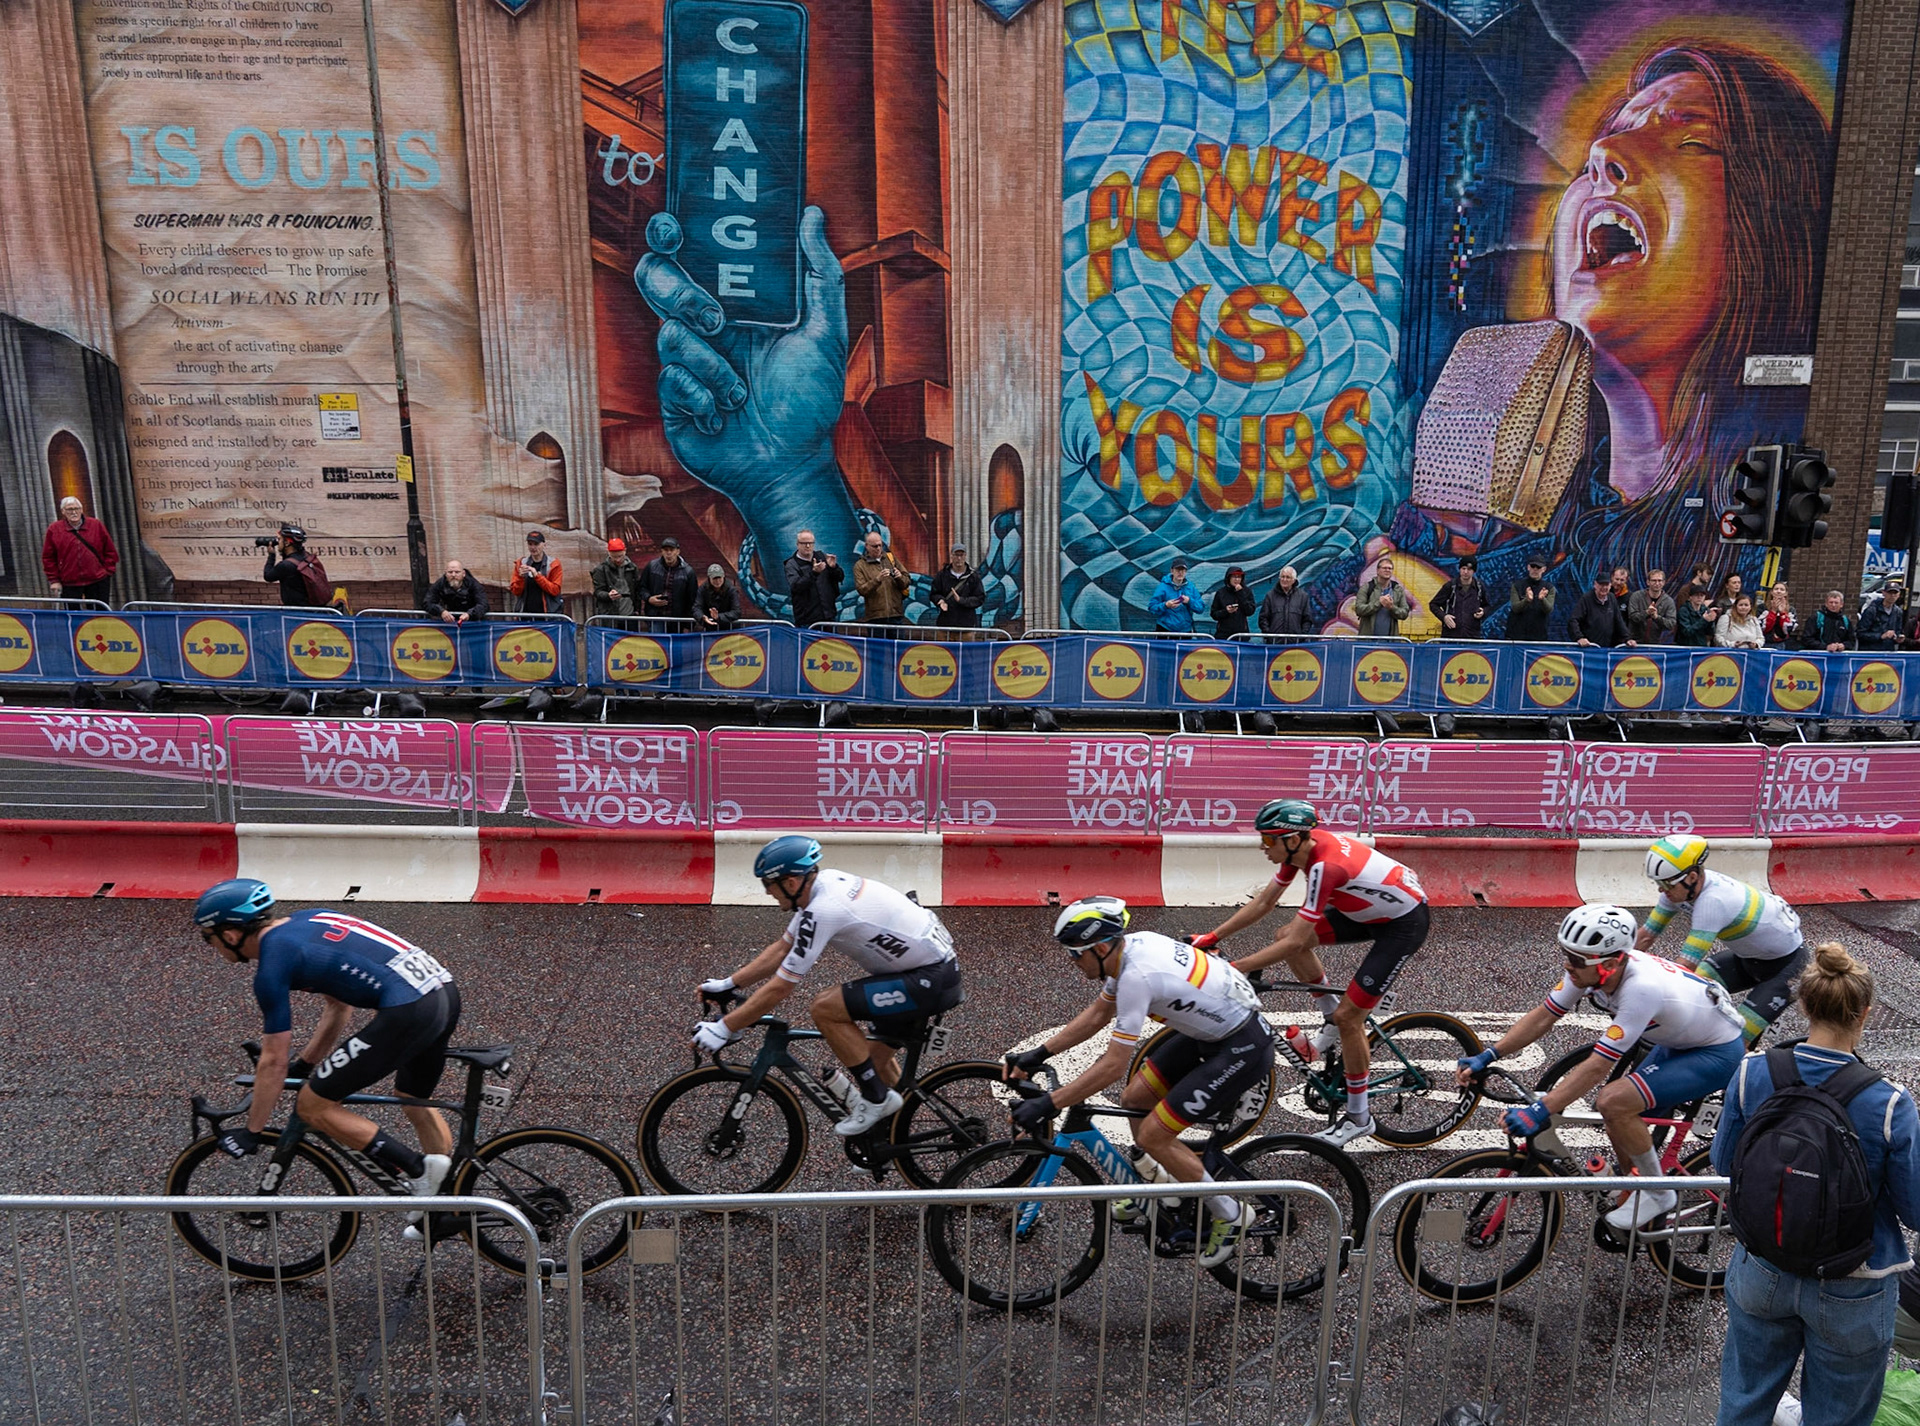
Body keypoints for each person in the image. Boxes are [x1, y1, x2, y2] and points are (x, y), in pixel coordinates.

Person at [1713, 943, 1920, 1426]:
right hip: (1855, 1281)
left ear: (1805, 1006)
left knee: (1743, 1402)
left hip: (1762, 1267)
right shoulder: (1889, 1103)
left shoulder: (1752, 1072)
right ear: (1865, 1012)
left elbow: (1727, 1163)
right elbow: (1914, 1211)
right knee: (1839, 1416)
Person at [1004, 896, 1270, 1268]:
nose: (1072, 962)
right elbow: (1099, 1012)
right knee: (1135, 1098)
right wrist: (1039, 1053)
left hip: (1241, 1046)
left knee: (1152, 1136)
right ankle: (1166, 1186)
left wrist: (1050, 1103)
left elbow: (1113, 1065)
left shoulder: (1135, 976)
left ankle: (1231, 1212)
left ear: (1099, 947)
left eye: (1075, 953)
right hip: (1209, 1035)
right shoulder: (1127, 951)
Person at [1457, 903, 1746, 1232]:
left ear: (1610, 963)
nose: (1568, 965)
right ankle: (1634, 1187)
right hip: (1681, 1042)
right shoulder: (1590, 970)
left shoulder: (1641, 989)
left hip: (1716, 1052)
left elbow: (1597, 1067)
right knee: (1616, 1114)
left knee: (1613, 1101)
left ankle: (1657, 1193)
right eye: (1566, 954)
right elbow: (1543, 1016)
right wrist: (1489, 1054)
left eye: (1577, 960)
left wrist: (1543, 1109)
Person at [192, 879, 457, 1216]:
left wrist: (252, 1131)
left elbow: (273, 1060)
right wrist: (305, 1063)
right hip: (442, 993)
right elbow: (338, 1006)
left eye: (208, 937)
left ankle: (418, 1169)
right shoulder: (311, 919)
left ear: (230, 934)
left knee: (312, 1106)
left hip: (409, 1010)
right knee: (413, 1100)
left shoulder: (273, 964)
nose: (212, 945)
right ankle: (449, 1201)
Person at [1189, 799, 1428, 1148]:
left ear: (1293, 839)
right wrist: (1212, 937)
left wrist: (1237, 969)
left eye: (1269, 840)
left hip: (1402, 925)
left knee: (1351, 1018)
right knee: (1285, 935)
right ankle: (1329, 1017)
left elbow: (1296, 942)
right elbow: (1264, 903)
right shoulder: (1299, 851)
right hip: (1367, 911)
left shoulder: (1325, 866)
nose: (1263, 846)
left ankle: (1359, 1118)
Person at [692, 836, 961, 1137]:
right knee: (870, 1060)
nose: (767, 892)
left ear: (791, 882)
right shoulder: (823, 884)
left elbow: (781, 986)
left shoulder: (824, 909)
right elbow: (783, 948)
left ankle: (876, 1100)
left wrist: (726, 1027)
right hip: (925, 970)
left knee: (825, 1007)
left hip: (930, 979)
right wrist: (728, 984)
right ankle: (890, 1138)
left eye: (769, 884)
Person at [1635, 835, 1808, 1044]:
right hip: (1748, 960)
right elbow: (1645, 936)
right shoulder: (1678, 890)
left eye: (1666, 884)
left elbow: (1685, 968)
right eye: (1658, 883)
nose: (1661, 889)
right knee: (1695, 998)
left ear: (1691, 877)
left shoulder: (1713, 901)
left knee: (1734, 1039)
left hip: (1786, 968)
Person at [41, 496, 120, 603]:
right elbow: (48, 557)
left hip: (97, 579)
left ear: (81, 510)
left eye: (76, 509)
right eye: (69, 509)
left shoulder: (96, 525)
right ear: (63, 512)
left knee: (100, 613)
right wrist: (54, 580)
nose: (74, 512)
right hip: (69, 582)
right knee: (73, 614)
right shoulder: (54, 529)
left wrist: (107, 571)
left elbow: (110, 550)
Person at [783, 530, 843, 628]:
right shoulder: (792, 564)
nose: (808, 546)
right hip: (807, 619)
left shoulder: (822, 557)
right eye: (804, 543)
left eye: (810, 543)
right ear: (797, 544)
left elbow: (840, 577)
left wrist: (834, 568)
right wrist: (814, 573)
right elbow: (796, 586)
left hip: (828, 616)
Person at [262, 523, 328, 608]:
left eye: (280, 540)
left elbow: (268, 576)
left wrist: (271, 555)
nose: (278, 543)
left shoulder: (286, 565)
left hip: (297, 612)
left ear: (287, 543)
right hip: (313, 608)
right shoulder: (307, 556)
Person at [853, 532, 910, 629]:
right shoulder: (860, 565)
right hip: (875, 617)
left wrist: (899, 577)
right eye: (875, 546)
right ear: (867, 546)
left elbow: (906, 581)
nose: (878, 548)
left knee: (896, 643)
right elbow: (861, 589)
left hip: (895, 614)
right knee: (876, 643)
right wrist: (877, 580)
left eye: (880, 545)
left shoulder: (890, 559)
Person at [638, 535, 697, 624]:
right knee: (656, 638)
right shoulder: (651, 567)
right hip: (655, 616)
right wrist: (649, 598)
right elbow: (641, 587)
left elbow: (692, 600)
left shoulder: (688, 572)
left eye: (671, 550)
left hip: (678, 620)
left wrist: (688, 625)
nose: (668, 553)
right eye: (666, 550)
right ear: (662, 551)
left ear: (678, 551)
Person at [1568, 571, 1634, 648]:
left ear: (1610, 585)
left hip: (1607, 646)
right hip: (1589, 647)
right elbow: (1573, 620)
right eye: (1601, 585)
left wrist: (1628, 639)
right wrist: (1579, 638)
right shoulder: (1586, 599)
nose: (1604, 588)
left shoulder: (1612, 598)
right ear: (1595, 584)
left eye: (1606, 585)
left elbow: (1619, 621)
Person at [1429, 556, 1489, 638]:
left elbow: (1487, 605)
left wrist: (1483, 612)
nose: (1466, 572)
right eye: (1463, 568)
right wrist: (1444, 617)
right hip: (1451, 635)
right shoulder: (1450, 586)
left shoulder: (1479, 587)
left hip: (1472, 636)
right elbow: (1433, 604)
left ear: (1474, 571)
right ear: (1459, 569)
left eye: (1469, 569)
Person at [1354, 554, 1410, 638]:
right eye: (1384, 568)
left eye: (1390, 568)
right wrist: (1378, 603)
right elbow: (1359, 609)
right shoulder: (1367, 587)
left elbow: (1404, 613)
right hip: (1368, 640)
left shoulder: (1397, 590)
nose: (1387, 570)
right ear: (1377, 570)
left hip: (1390, 641)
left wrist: (1391, 607)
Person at [929, 544, 985, 629]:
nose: (959, 558)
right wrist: (940, 601)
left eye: (961, 555)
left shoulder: (973, 576)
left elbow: (980, 598)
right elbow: (934, 594)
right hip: (946, 624)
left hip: (966, 625)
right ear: (951, 556)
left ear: (965, 556)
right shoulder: (942, 575)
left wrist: (961, 600)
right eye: (956, 555)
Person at [508, 530, 564, 614]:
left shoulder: (554, 564)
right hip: (526, 614)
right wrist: (520, 577)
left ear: (544, 545)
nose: (533, 547)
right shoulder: (521, 563)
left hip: (549, 615)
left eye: (536, 544)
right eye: (530, 544)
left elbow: (555, 590)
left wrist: (537, 576)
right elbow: (516, 591)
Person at [1506, 556, 1556, 641]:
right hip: (1517, 634)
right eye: (1533, 566)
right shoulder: (1517, 586)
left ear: (1544, 569)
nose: (1535, 569)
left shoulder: (1549, 588)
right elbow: (1515, 608)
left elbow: (1549, 609)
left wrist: (1542, 599)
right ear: (1528, 567)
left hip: (1538, 635)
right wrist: (1527, 600)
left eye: (1538, 567)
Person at [423, 560, 488, 624]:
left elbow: (483, 604)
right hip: (449, 622)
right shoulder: (440, 584)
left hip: (473, 622)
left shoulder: (473, 584)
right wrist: (441, 611)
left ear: (463, 573)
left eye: (457, 572)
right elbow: (427, 602)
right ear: (446, 574)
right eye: (450, 572)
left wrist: (470, 614)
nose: (453, 575)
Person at [589, 538, 640, 616]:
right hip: (610, 613)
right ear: (609, 553)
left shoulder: (632, 568)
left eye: (620, 556)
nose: (618, 560)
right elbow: (597, 592)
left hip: (630, 612)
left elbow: (637, 590)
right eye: (614, 557)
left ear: (625, 551)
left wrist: (637, 609)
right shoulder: (600, 570)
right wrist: (608, 595)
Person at [1627, 569, 1676, 645]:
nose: (1657, 583)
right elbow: (1632, 616)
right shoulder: (1636, 596)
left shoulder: (1668, 601)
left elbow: (1671, 624)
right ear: (1648, 582)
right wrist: (1647, 613)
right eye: (1654, 581)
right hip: (1635, 643)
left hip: (1656, 644)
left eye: (1660, 581)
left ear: (1664, 582)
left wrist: (1657, 617)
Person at [1148, 559, 1198, 633]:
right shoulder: (1163, 587)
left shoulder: (1191, 587)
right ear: (1172, 571)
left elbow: (1200, 608)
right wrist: (1165, 605)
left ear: (1186, 572)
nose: (1180, 572)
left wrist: (1189, 601)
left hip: (1185, 630)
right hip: (1165, 629)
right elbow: (1152, 607)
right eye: (1177, 570)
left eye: (1183, 570)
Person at [1259, 566, 1310, 637]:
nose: (1284, 579)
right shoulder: (1270, 596)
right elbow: (1263, 618)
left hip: (1295, 644)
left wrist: (1301, 636)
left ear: (1294, 580)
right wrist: (1269, 635)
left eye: (1288, 577)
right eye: (1282, 577)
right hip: (1274, 643)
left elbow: (1307, 619)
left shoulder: (1303, 597)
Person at [1805, 589, 1857, 653]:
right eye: (1831, 602)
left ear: (1841, 604)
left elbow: (1852, 641)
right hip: (1818, 656)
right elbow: (1807, 639)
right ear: (1826, 604)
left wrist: (1844, 646)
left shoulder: (1845, 620)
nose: (1833, 605)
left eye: (1836, 603)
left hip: (1839, 657)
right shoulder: (1815, 618)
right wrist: (1825, 647)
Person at [1860, 581, 1907, 652]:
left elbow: (1898, 631)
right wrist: (1881, 636)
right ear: (1883, 593)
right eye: (1890, 593)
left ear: (1899, 595)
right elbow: (1860, 633)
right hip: (1870, 652)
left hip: (1888, 652)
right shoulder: (1871, 610)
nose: (1892, 595)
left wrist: (1898, 638)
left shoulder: (1898, 612)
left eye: (1895, 593)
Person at [1210, 567, 1254, 639]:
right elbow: (1214, 614)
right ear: (1229, 578)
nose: (1236, 579)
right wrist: (1226, 611)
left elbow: (1250, 611)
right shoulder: (1221, 593)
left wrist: (1240, 593)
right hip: (1223, 634)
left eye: (1239, 577)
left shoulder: (1246, 591)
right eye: (1234, 577)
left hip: (1241, 634)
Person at [694, 564, 740, 631]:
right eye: (715, 578)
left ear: (723, 576)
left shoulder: (731, 590)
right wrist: (702, 617)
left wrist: (719, 617)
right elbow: (696, 607)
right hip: (710, 628)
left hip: (729, 629)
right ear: (709, 578)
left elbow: (736, 611)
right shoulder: (703, 589)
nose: (718, 581)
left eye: (719, 578)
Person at [1761, 582, 1798, 648]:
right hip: (1764, 642)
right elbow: (1761, 628)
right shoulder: (1762, 607)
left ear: (1786, 593)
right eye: (1776, 589)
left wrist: (1783, 613)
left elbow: (1789, 629)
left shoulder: (1791, 609)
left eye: (1782, 589)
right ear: (1772, 592)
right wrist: (1773, 611)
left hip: (1781, 643)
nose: (1779, 591)